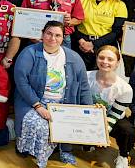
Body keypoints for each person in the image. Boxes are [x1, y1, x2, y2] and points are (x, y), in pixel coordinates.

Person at [14, 21, 92, 168]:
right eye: (49, 33)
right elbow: (21, 81)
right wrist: (38, 106)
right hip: (33, 100)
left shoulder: (74, 58)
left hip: (63, 102)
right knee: (41, 125)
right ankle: (27, 147)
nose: (52, 38)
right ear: (42, 34)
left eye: (58, 35)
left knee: (64, 122)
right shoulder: (29, 53)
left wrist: (90, 113)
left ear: (63, 38)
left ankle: (65, 149)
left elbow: (83, 87)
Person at [86, 46, 135, 168]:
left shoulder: (125, 88)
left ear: (117, 63)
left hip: (112, 118)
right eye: (101, 58)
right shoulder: (85, 77)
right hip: (88, 115)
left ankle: (123, 156)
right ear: (96, 59)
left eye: (110, 59)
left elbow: (114, 115)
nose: (105, 62)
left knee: (128, 130)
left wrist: (101, 136)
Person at [74, 0, 128, 70]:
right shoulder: (80, 0)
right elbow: (73, 24)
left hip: (106, 47)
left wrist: (93, 44)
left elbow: (116, 31)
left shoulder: (119, 4)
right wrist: (81, 41)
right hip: (81, 45)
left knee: (101, 81)